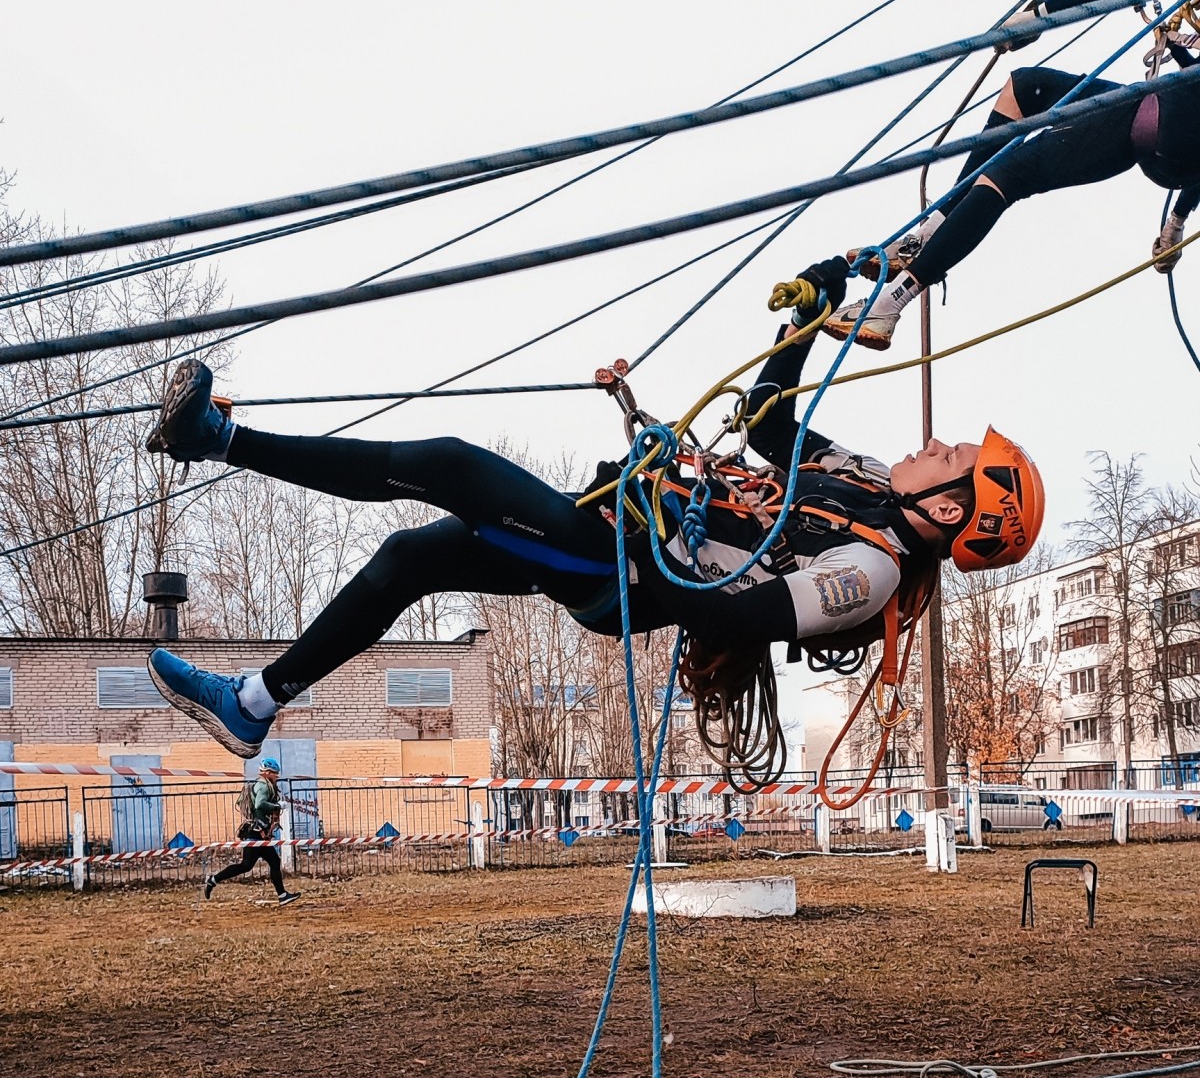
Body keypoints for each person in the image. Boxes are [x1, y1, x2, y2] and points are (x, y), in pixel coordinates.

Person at [142, 262, 1042, 766]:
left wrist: (658, 545)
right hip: (615, 528)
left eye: (953, 458)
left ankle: (215, 438)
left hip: (622, 569)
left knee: (448, 465)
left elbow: (739, 612)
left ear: (956, 507)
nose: (937, 446)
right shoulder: (868, 478)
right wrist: (797, 331)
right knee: (409, 558)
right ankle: (255, 703)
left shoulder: (871, 568)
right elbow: (770, 425)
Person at [820, 0, 1200, 352]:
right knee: (1023, 87)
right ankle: (932, 227)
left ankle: (891, 303)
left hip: (1165, 121)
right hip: (1164, 126)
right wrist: (1177, 220)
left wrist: (1052, 10)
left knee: (1010, 171)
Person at [204, 759, 302, 906]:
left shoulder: (264, 784)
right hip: (255, 833)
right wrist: (276, 805)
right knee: (246, 865)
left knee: (270, 862)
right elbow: (260, 804)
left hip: (258, 832)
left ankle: (282, 895)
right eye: (275, 773)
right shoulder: (263, 786)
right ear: (267, 773)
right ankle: (213, 880)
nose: (277, 776)